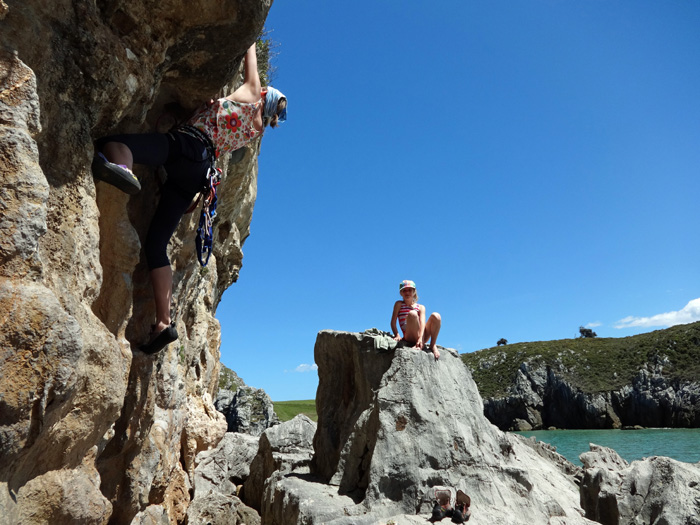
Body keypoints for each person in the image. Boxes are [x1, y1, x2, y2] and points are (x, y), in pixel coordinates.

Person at [92, 42, 287, 354]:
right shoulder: (256, 129)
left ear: (265, 95)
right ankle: (163, 322)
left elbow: (248, 47)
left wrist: (252, 41)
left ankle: (124, 168)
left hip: (186, 145)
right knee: (156, 245)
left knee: (114, 143)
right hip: (198, 176)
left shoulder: (252, 92)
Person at [390, 280, 442, 360]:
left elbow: (422, 322)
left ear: (414, 292)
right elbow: (393, 322)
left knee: (436, 316)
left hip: (422, 335)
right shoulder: (399, 304)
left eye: (410, 290)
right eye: (404, 290)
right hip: (409, 335)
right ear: (401, 293)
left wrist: (421, 338)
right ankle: (419, 342)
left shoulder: (421, 307)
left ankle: (432, 345)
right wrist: (397, 335)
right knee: (413, 314)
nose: (407, 293)